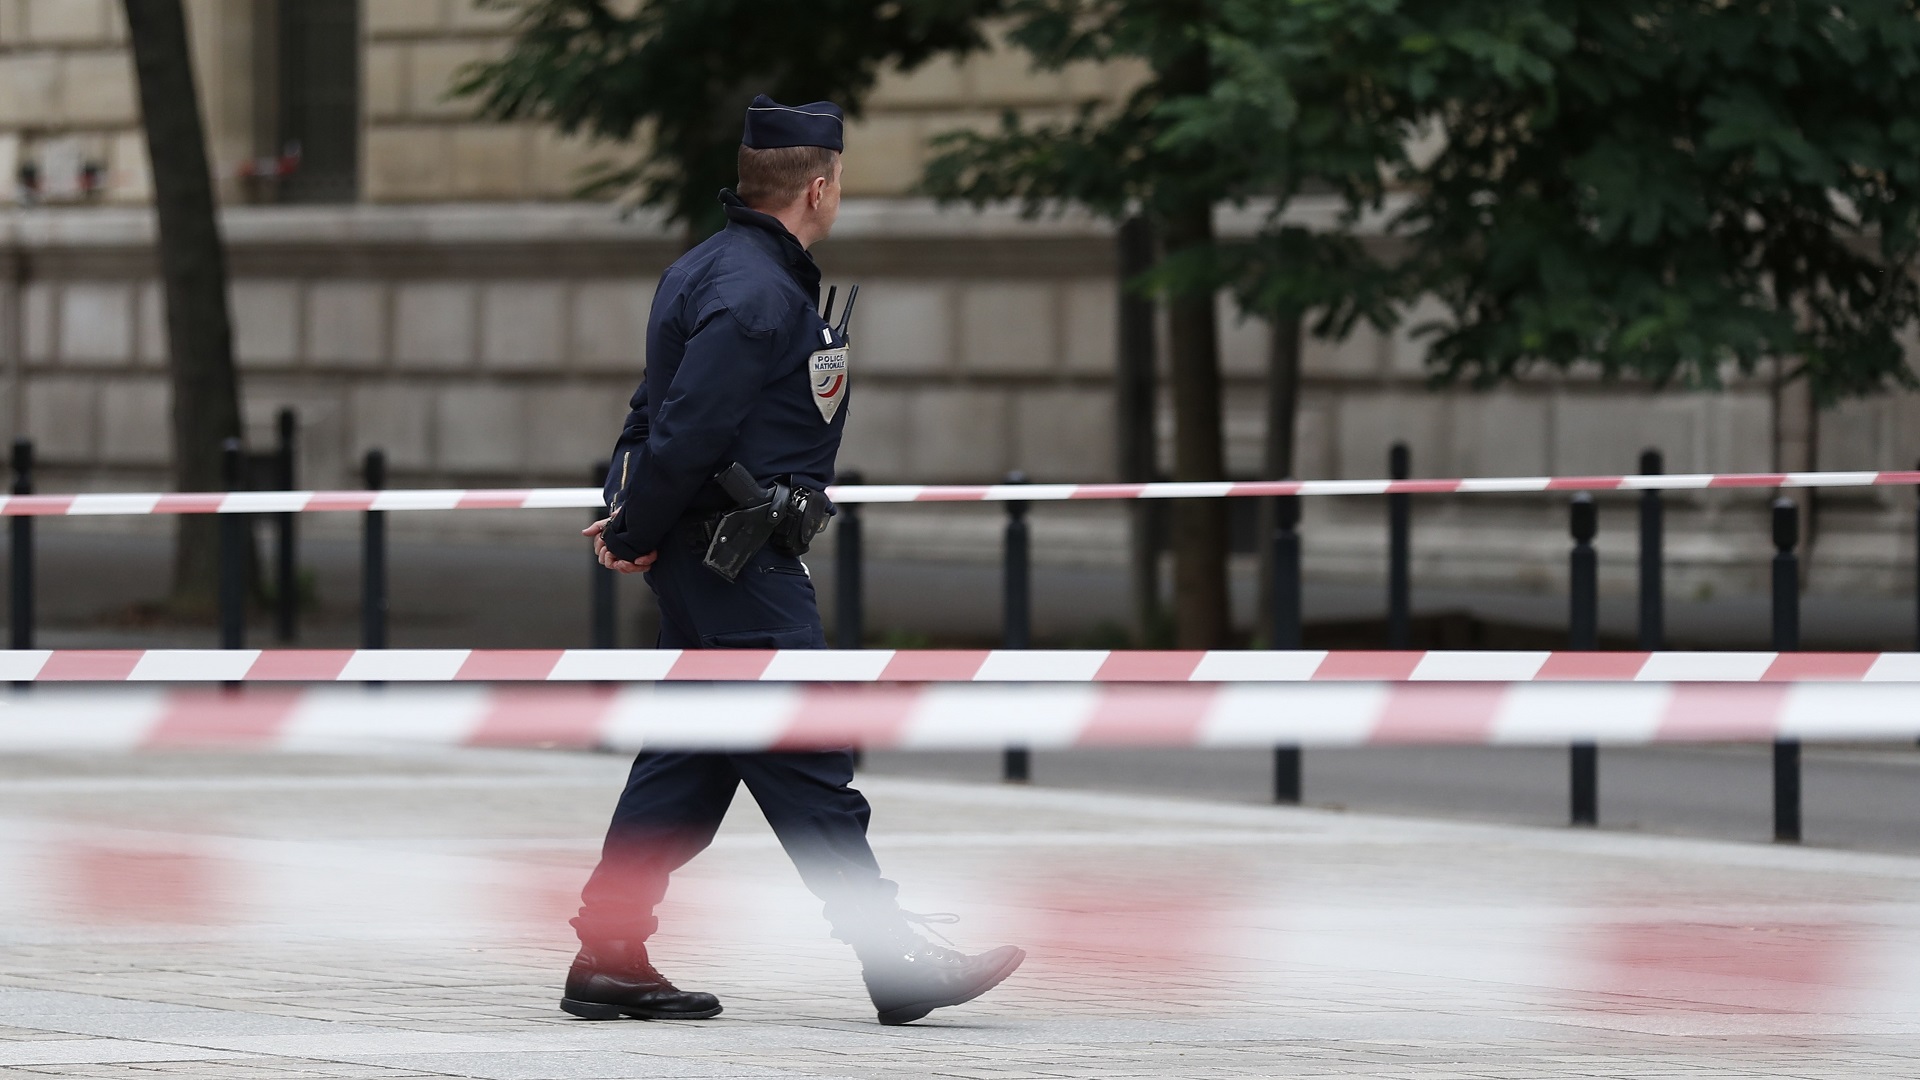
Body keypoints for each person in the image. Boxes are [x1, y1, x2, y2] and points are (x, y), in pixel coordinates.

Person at [568, 95, 1025, 1027]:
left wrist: (633, 515)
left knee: (690, 761)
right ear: (819, 186)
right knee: (808, 755)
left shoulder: (711, 269)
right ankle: (890, 951)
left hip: (714, 557)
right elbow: (685, 425)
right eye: (841, 182)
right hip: (740, 563)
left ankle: (609, 951)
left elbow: (648, 411)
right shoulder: (758, 293)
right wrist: (635, 523)